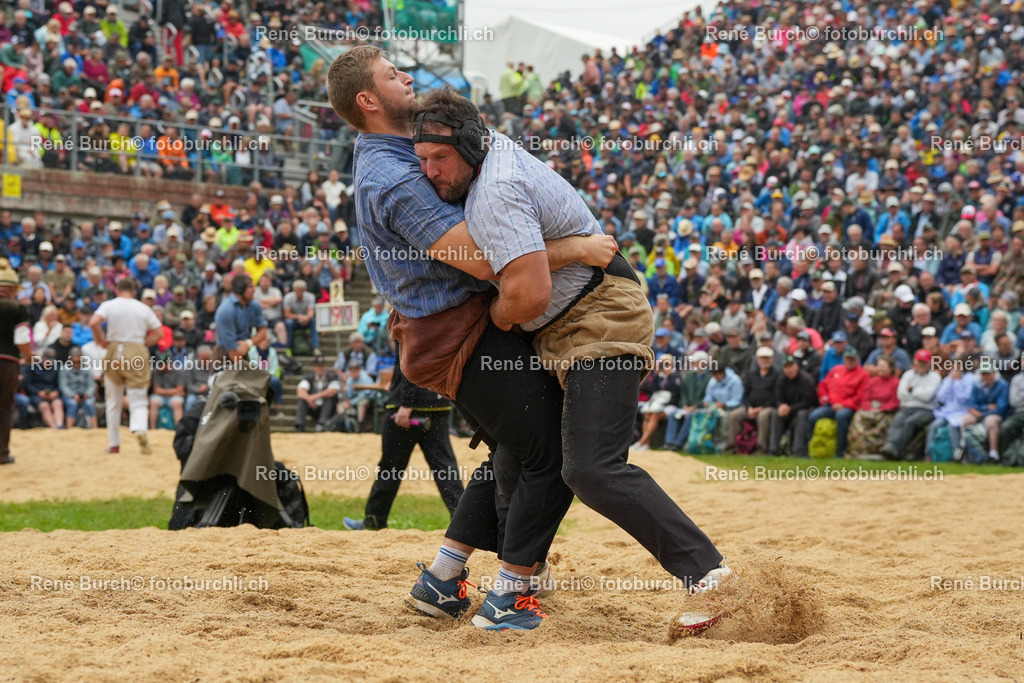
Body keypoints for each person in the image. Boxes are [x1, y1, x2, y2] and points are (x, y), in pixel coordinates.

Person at [328, 48, 726, 633]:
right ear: (367, 100)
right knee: (553, 453)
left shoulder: (404, 157)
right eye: (392, 74)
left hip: (465, 327)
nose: (407, 76)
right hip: (461, 328)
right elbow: (496, 265)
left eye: (442, 157)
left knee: (523, 444)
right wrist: (581, 248)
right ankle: (513, 590)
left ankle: (447, 577)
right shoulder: (397, 175)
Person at [344, 351, 464, 530]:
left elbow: (412, 355)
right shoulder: (443, 322)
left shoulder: (412, 321)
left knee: (390, 467)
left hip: (410, 406)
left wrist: (406, 401)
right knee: (445, 467)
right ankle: (465, 522)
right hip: (438, 401)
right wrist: (395, 383)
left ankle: (374, 519)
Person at [90, 277, 163, 454]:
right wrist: (145, 342)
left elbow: (93, 322)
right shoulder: (143, 308)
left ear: (116, 290)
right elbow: (159, 333)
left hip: (115, 347)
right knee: (138, 398)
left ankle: (114, 444)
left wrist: (100, 339)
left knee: (113, 401)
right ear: (134, 291)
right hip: (136, 348)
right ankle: (139, 428)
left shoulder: (110, 305)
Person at [808, 346, 868, 458]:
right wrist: (824, 397)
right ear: (844, 359)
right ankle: (812, 448)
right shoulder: (836, 370)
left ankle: (840, 451)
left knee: (841, 417)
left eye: (852, 359)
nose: (849, 361)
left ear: (857, 360)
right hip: (830, 404)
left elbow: (860, 396)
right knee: (813, 416)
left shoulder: (863, 374)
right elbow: (823, 385)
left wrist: (844, 404)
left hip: (849, 407)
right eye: (847, 359)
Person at [880, 350, 941, 460]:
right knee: (898, 420)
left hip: (926, 410)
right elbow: (901, 394)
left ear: (930, 363)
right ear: (915, 362)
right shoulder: (908, 374)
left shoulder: (935, 377)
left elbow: (927, 397)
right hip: (907, 407)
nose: (921, 365)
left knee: (910, 422)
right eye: (919, 362)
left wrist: (911, 390)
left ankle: (896, 451)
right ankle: (889, 446)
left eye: (924, 362)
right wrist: (918, 393)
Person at [0, 263, 32, 464]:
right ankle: (1, 453)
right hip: (7, 363)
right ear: (11, 289)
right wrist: (29, 357)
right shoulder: (17, 308)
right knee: (4, 408)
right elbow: (21, 339)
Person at [726, 345, 780, 454]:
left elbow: (776, 396)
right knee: (734, 415)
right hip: (751, 407)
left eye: (767, 358)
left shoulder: (777, 375)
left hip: (768, 407)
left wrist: (761, 408)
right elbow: (745, 394)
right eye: (762, 358)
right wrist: (749, 407)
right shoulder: (752, 375)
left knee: (763, 416)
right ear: (757, 360)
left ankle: (761, 448)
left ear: (772, 359)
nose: (764, 361)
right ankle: (732, 447)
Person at [846, 357, 901, 457]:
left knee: (882, 421)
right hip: (870, 410)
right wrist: (870, 408)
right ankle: (857, 449)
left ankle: (876, 449)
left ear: (891, 368)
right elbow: (865, 398)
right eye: (879, 366)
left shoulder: (896, 383)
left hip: (886, 412)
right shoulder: (872, 381)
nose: (880, 369)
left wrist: (882, 408)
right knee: (858, 417)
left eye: (883, 366)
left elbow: (895, 401)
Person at [959, 358, 1009, 462]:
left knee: (991, 420)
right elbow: (971, 404)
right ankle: (965, 450)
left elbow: (1001, 408)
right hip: (981, 413)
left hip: (996, 415)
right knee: (965, 420)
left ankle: (993, 453)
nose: (985, 376)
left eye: (987, 373)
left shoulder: (1002, 385)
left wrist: (981, 413)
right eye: (983, 373)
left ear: (994, 373)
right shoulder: (977, 384)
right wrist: (986, 407)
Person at [769, 356, 819, 457]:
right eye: (786, 367)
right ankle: (773, 449)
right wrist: (781, 406)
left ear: (796, 367)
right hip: (789, 410)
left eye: (791, 366)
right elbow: (778, 397)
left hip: (807, 409)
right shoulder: (781, 380)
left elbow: (808, 401)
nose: (789, 370)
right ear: (783, 369)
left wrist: (790, 409)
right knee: (775, 414)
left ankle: (798, 450)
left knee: (801, 415)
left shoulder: (806, 380)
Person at [214, 274, 268, 362]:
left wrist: (248, 343)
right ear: (240, 290)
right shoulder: (226, 310)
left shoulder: (254, 305)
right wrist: (243, 372)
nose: (254, 290)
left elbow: (263, 332)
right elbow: (232, 350)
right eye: (250, 287)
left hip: (243, 350)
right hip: (224, 354)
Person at [294, 355, 340, 432]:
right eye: (318, 366)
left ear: (326, 367)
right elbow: (300, 391)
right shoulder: (309, 377)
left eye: (322, 366)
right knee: (302, 400)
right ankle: (299, 425)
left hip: (327, 409)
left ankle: (322, 424)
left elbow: (333, 391)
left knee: (329, 398)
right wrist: (309, 399)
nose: (321, 368)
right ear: (314, 367)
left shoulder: (332, 377)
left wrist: (314, 397)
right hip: (313, 407)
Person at [59, 347, 97, 429]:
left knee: (89, 403)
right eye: (74, 362)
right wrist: (73, 395)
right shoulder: (64, 369)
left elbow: (91, 385)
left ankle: (95, 428)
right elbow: (64, 386)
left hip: (85, 395)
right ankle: (69, 428)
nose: (77, 364)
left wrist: (87, 394)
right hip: (70, 396)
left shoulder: (87, 369)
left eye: (79, 362)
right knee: (73, 404)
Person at [282, 278, 319, 355]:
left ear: (305, 289)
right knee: (288, 323)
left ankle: (315, 347)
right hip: (294, 320)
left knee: (314, 321)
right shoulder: (288, 297)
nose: (299, 292)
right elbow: (287, 314)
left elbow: (311, 312)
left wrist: (306, 318)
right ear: (294, 289)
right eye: (298, 290)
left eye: (301, 290)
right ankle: (288, 347)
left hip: (306, 320)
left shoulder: (310, 297)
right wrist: (299, 317)